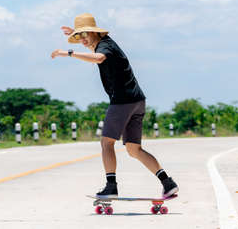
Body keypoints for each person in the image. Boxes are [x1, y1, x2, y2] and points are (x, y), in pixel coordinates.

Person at [51, 13, 178, 198]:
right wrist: (77, 34)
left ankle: (111, 187)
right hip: (137, 101)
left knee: (106, 143)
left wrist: (68, 52)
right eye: (80, 36)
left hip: (122, 101)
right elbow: (91, 45)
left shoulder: (105, 47)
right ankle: (168, 182)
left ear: (95, 33)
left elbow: (99, 58)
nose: (82, 40)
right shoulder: (105, 42)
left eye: (85, 35)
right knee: (134, 149)